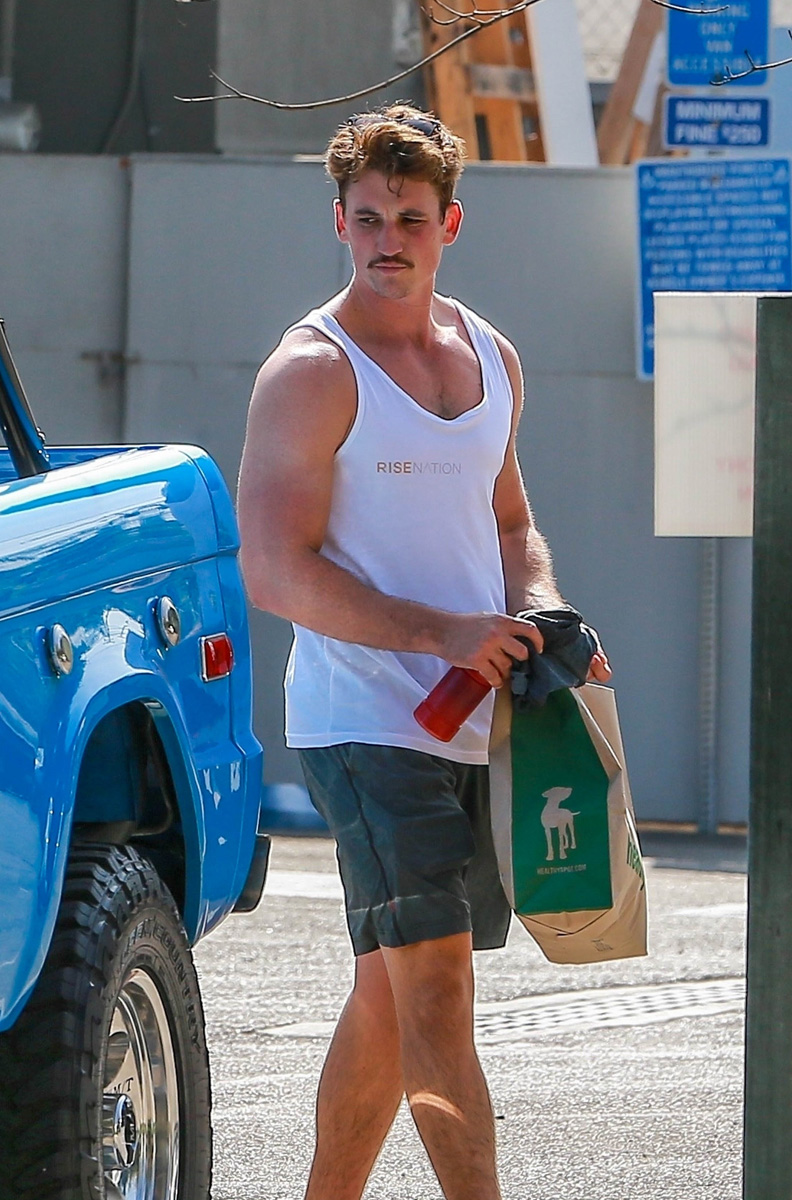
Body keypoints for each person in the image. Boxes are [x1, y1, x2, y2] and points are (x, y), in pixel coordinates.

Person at [236, 102, 611, 1200]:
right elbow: (275, 569)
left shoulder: (488, 354)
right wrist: (442, 633)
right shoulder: (312, 370)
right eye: (365, 220)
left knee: (388, 997)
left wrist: (540, 610)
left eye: (409, 217)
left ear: (453, 221)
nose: (386, 240)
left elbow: (508, 525)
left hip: (479, 717)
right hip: (364, 720)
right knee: (436, 985)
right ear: (339, 224)